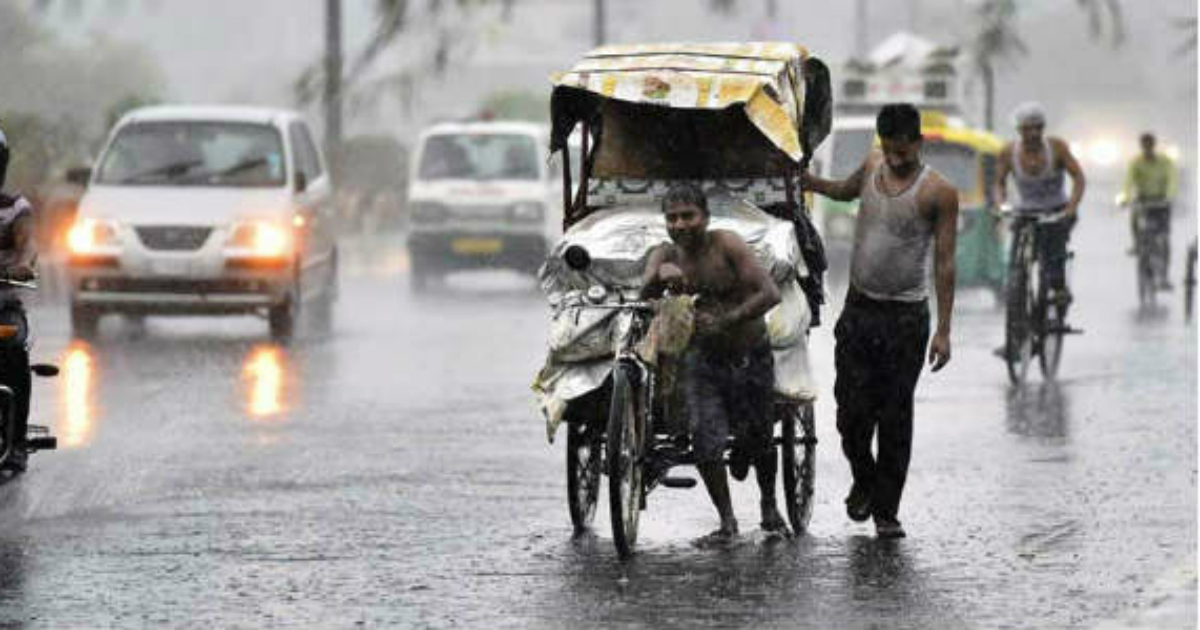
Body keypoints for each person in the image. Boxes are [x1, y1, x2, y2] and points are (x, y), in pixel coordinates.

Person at [800, 103, 959, 539]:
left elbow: (945, 264)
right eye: (889, 151)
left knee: (894, 416)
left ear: (919, 143)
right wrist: (809, 181)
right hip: (859, 309)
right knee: (850, 414)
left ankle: (886, 512)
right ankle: (864, 478)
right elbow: (845, 191)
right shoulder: (872, 163)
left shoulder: (939, 192)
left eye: (903, 153)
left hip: (906, 318)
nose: (895, 160)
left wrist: (944, 330)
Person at [639, 183, 785, 544]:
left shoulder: (727, 245)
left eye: (688, 216)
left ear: (704, 217)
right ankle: (727, 522)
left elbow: (770, 293)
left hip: (750, 355)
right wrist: (660, 279)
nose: (680, 224)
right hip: (701, 359)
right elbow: (643, 294)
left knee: (760, 438)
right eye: (672, 218)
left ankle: (769, 504)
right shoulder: (664, 253)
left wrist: (727, 319)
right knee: (705, 440)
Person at [995, 102, 1087, 305]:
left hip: (1056, 210)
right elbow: (999, 183)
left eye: (1038, 127)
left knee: (1053, 251)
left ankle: (1057, 285)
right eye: (1028, 128)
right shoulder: (1009, 152)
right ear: (1019, 130)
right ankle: (1017, 286)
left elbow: (1078, 178)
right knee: (1016, 260)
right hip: (1026, 211)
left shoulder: (1057, 147)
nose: (1034, 133)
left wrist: (1071, 208)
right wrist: (1002, 205)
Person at [0, 128, 38, 473]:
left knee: (14, 353)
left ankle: (17, 442)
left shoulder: (15, 208)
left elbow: (27, 243)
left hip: (4, 305)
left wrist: (24, 262)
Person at [1119, 132, 1178, 288]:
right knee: (1135, 217)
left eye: (1149, 146)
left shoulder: (1165, 162)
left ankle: (1164, 275)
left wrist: (1169, 197)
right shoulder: (1136, 162)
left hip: (1161, 200)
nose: (1147, 149)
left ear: (1153, 145)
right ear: (1141, 146)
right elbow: (1128, 181)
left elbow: (1172, 179)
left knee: (1164, 238)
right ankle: (1137, 243)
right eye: (1144, 146)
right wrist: (1125, 197)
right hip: (1143, 199)